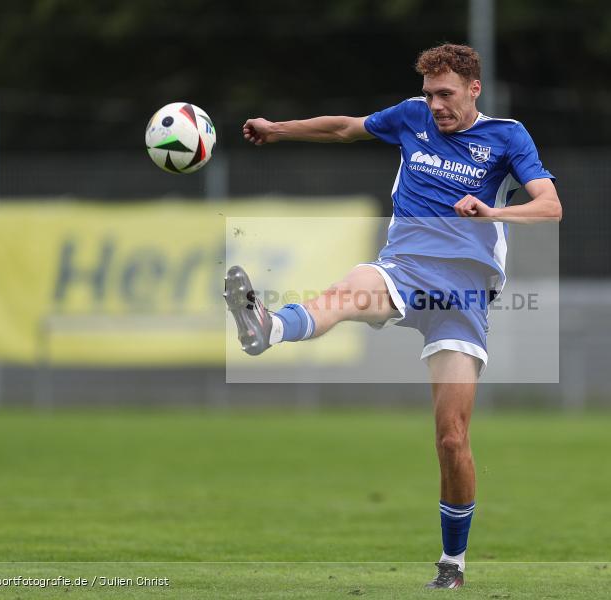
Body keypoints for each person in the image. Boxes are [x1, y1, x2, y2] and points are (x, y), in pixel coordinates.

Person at [224, 43, 561, 588]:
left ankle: (452, 565)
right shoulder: (411, 117)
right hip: (405, 269)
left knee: (451, 439)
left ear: (474, 88)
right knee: (349, 291)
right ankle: (268, 327)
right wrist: (277, 129)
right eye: (429, 95)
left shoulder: (507, 136)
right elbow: (344, 129)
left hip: (465, 295)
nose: (435, 106)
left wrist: (492, 210)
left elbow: (550, 205)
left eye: (445, 94)